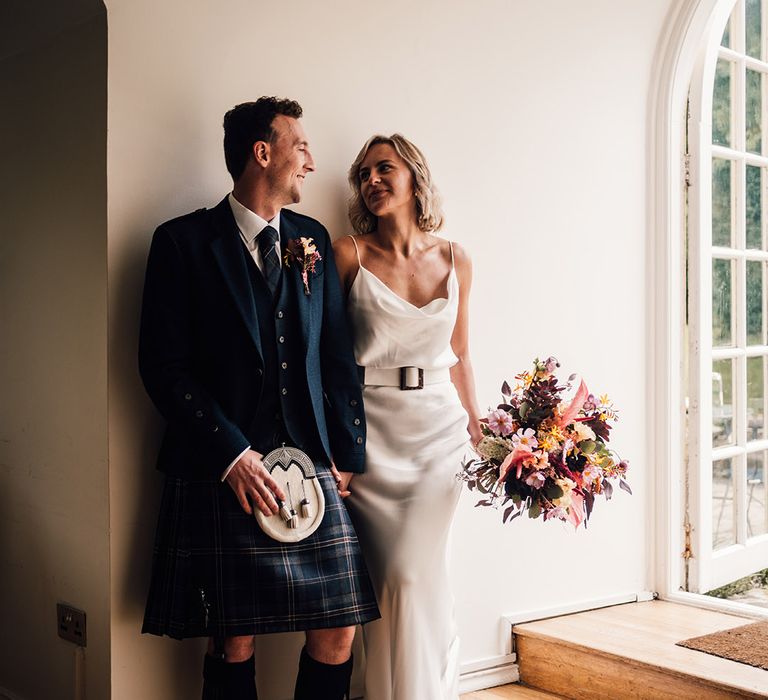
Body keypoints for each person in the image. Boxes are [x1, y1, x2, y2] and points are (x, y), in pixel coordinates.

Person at [138, 97, 379, 700]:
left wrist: (344, 453)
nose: (311, 162)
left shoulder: (312, 240)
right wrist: (231, 454)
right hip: (223, 466)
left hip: (309, 461)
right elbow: (164, 368)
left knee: (338, 626)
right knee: (232, 636)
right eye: (301, 148)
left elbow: (336, 358)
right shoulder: (182, 243)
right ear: (262, 152)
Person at [334, 134, 482, 700]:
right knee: (391, 581)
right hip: (372, 435)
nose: (372, 180)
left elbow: (463, 353)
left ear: (414, 176)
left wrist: (480, 426)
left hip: (440, 435)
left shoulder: (456, 258)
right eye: (363, 174)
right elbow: (331, 360)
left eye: (383, 168)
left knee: (419, 577)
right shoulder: (349, 254)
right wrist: (338, 450)